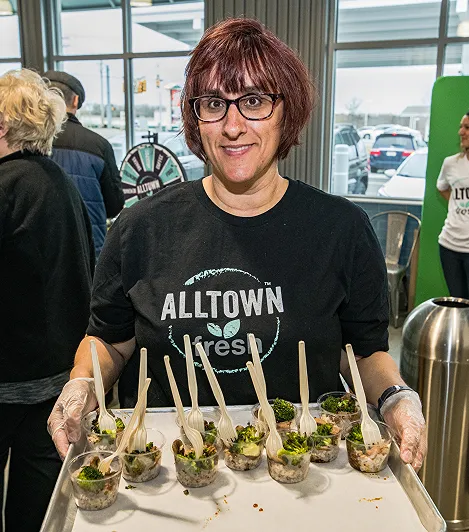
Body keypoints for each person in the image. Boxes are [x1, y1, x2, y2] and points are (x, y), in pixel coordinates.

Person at [48, 18, 427, 472]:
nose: (233, 126)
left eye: (253, 101)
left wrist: (395, 398)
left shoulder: (341, 230)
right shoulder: (139, 229)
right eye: (213, 103)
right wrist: (82, 383)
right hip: (168, 471)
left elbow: (365, 352)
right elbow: (108, 341)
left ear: (287, 110)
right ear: (195, 117)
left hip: (300, 471)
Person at [0, 69, 94, 532]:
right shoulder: (56, 181)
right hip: (56, 373)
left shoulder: (3, 187)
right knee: (35, 505)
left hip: (8, 376)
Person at [44, 70, 124, 259]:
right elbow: (114, 204)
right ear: (75, 101)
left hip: (44, 247)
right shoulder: (98, 144)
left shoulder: (30, 142)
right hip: (90, 246)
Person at [437, 111, 469, 298]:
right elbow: (442, 187)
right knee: (459, 303)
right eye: (461, 126)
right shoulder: (450, 164)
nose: (461, 132)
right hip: (449, 246)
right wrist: (458, 206)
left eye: (467, 128)